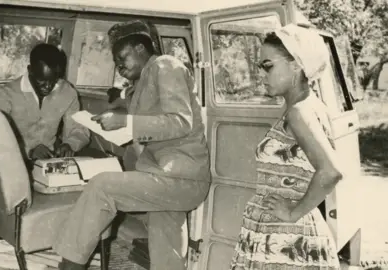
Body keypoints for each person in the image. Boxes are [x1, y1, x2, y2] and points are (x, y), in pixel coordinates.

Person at [53, 20, 211, 270]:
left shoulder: (166, 65)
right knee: (166, 249)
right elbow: (133, 102)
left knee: (102, 187)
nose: (119, 68)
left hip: (180, 177)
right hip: (167, 176)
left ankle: (69, 267)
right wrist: (117, 108)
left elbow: (180, 121)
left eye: (121, 59)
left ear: (140, 48)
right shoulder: (143, 81)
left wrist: (126, 122)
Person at [230, 24, 343, 269]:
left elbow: (331, 171)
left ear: (296, 65)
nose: (261, 75)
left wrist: (293, 212)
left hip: (286, 239)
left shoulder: (300, 113)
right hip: (284, 234)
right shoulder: (312, 106)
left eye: (268, 66)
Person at [0, 43, 90, 160]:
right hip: (13, 159)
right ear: (30, 70)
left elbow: (78, 129)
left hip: (49, 158)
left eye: (53, 80)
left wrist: (70, 144)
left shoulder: (68, 92)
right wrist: (29, 151)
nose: (48, 87)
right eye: (41, 81)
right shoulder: (8, 93)